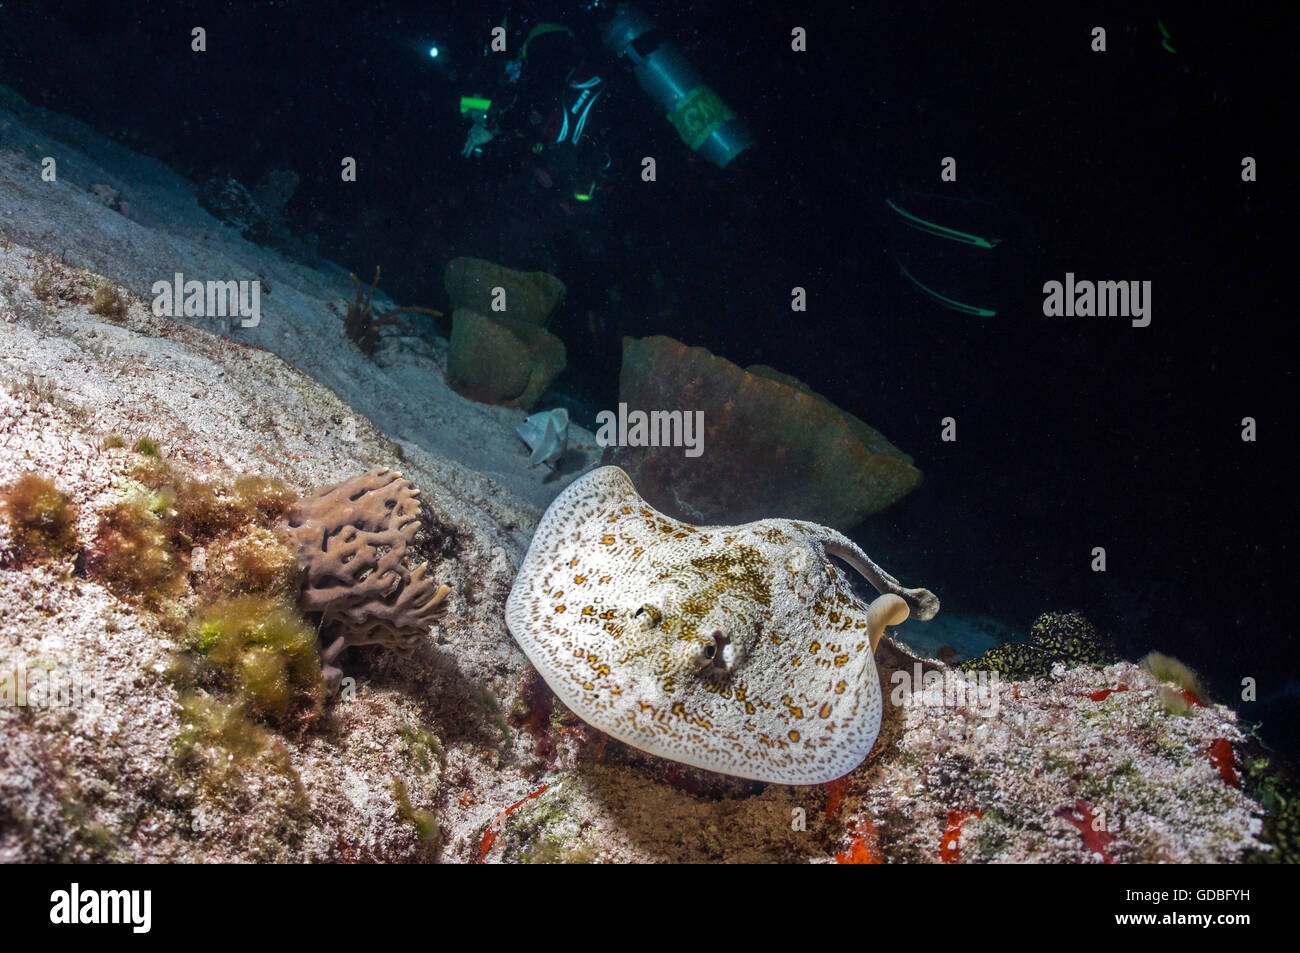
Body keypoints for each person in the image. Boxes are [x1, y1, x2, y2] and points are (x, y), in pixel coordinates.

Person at [460, 19, 612, 209]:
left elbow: (524, 108)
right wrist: (492, 125)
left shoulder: (566, 143)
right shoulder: (563, 144)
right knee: (467, 98)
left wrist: (490, 120)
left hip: (553, 44)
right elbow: (531, 104)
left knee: (468, 99)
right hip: (543, 41)